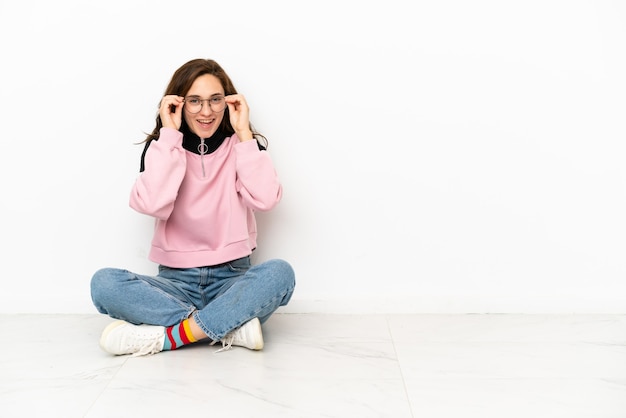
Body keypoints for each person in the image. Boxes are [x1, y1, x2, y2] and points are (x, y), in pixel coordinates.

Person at [90, 58, 295, 356]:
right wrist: (169, 136)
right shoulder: (163, 148)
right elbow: (152, 203)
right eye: (195, 101)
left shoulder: (242, 146)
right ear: (178, 104)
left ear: (228, 103)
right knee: (104, 284)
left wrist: (245, 135)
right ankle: (227, 326)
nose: (206, 111)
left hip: (233, 279)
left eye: (215, 100)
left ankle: (169, 337)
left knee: (280, 274)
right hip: (174, 283)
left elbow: (266, 200)